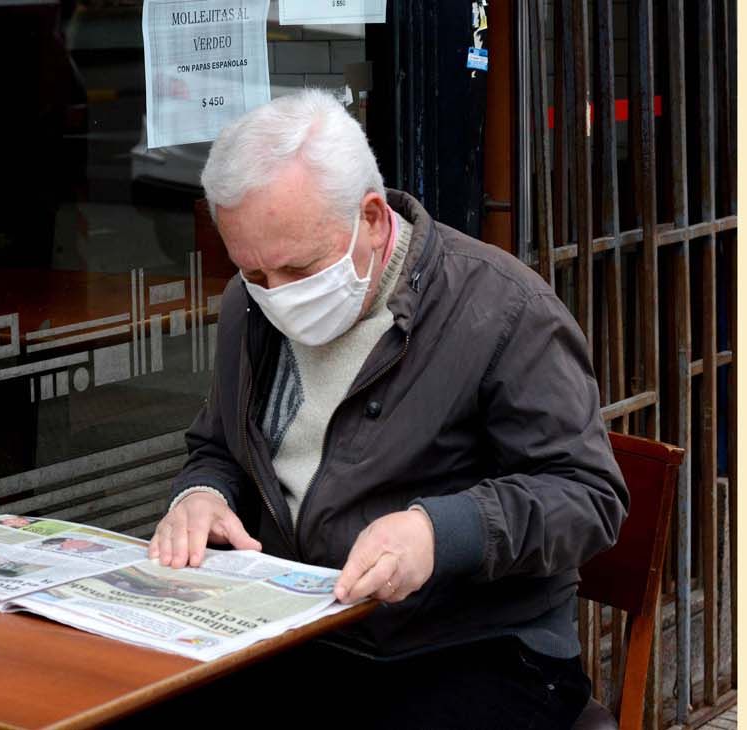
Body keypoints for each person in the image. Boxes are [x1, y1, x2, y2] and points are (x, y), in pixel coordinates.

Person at [146, 89, 627, 729]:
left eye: (298, 268)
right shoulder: (249, 305)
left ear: (372, 219)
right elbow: (218, 446)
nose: (277, 296)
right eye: (253, 273)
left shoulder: (504, 310)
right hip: (298, 633)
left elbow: (589, 495)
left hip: (469, 645)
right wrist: (201, 494)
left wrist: (439, 532)